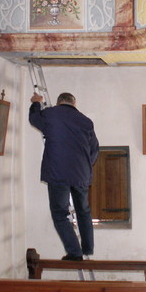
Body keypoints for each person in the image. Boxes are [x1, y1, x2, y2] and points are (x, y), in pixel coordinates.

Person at [29, 91, 99, 261]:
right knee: (83, 210)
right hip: (81, 174)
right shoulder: (86, 121)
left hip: (58, 173)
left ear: (59, 102)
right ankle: (88, 247)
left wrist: (36, 102)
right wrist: (84, 165)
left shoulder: (51, 114)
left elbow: (34, 119)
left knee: (60, 213)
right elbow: (95, 149)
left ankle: (75, 253)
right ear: (74, 104)